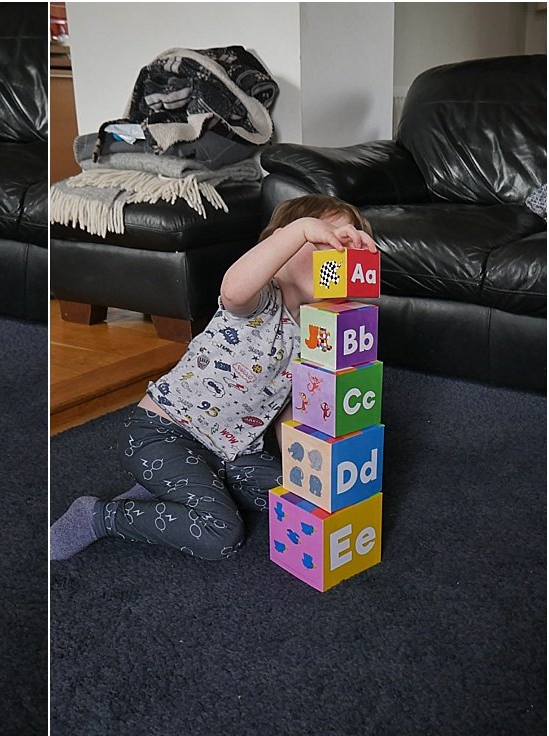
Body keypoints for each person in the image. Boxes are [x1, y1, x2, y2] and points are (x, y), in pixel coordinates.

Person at [50, 195, 377, 561]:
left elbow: (290, 408)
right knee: (220, 534)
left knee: (296, 493)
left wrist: (298, 465)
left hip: (231, 453)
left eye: (346, 248)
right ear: (280, 249)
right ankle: (101, 516)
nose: (335, 254)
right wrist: (301, 229)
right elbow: (233, 288)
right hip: (162, 433)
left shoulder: (320, 332)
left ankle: (176, 487)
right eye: (324, 241)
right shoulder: (259, 300)